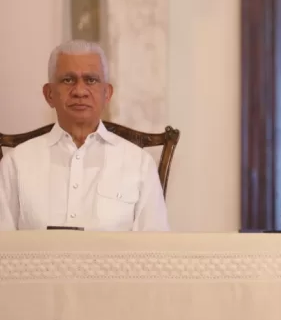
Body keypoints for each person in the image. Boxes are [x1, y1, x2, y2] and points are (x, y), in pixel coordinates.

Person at [0, 40, 169, 231]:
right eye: (68, 80)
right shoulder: (16, 164)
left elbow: (155, 246)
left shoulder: (139, 164)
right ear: (49, 94)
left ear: (107, 94)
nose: (80, 91)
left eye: (91, 80)